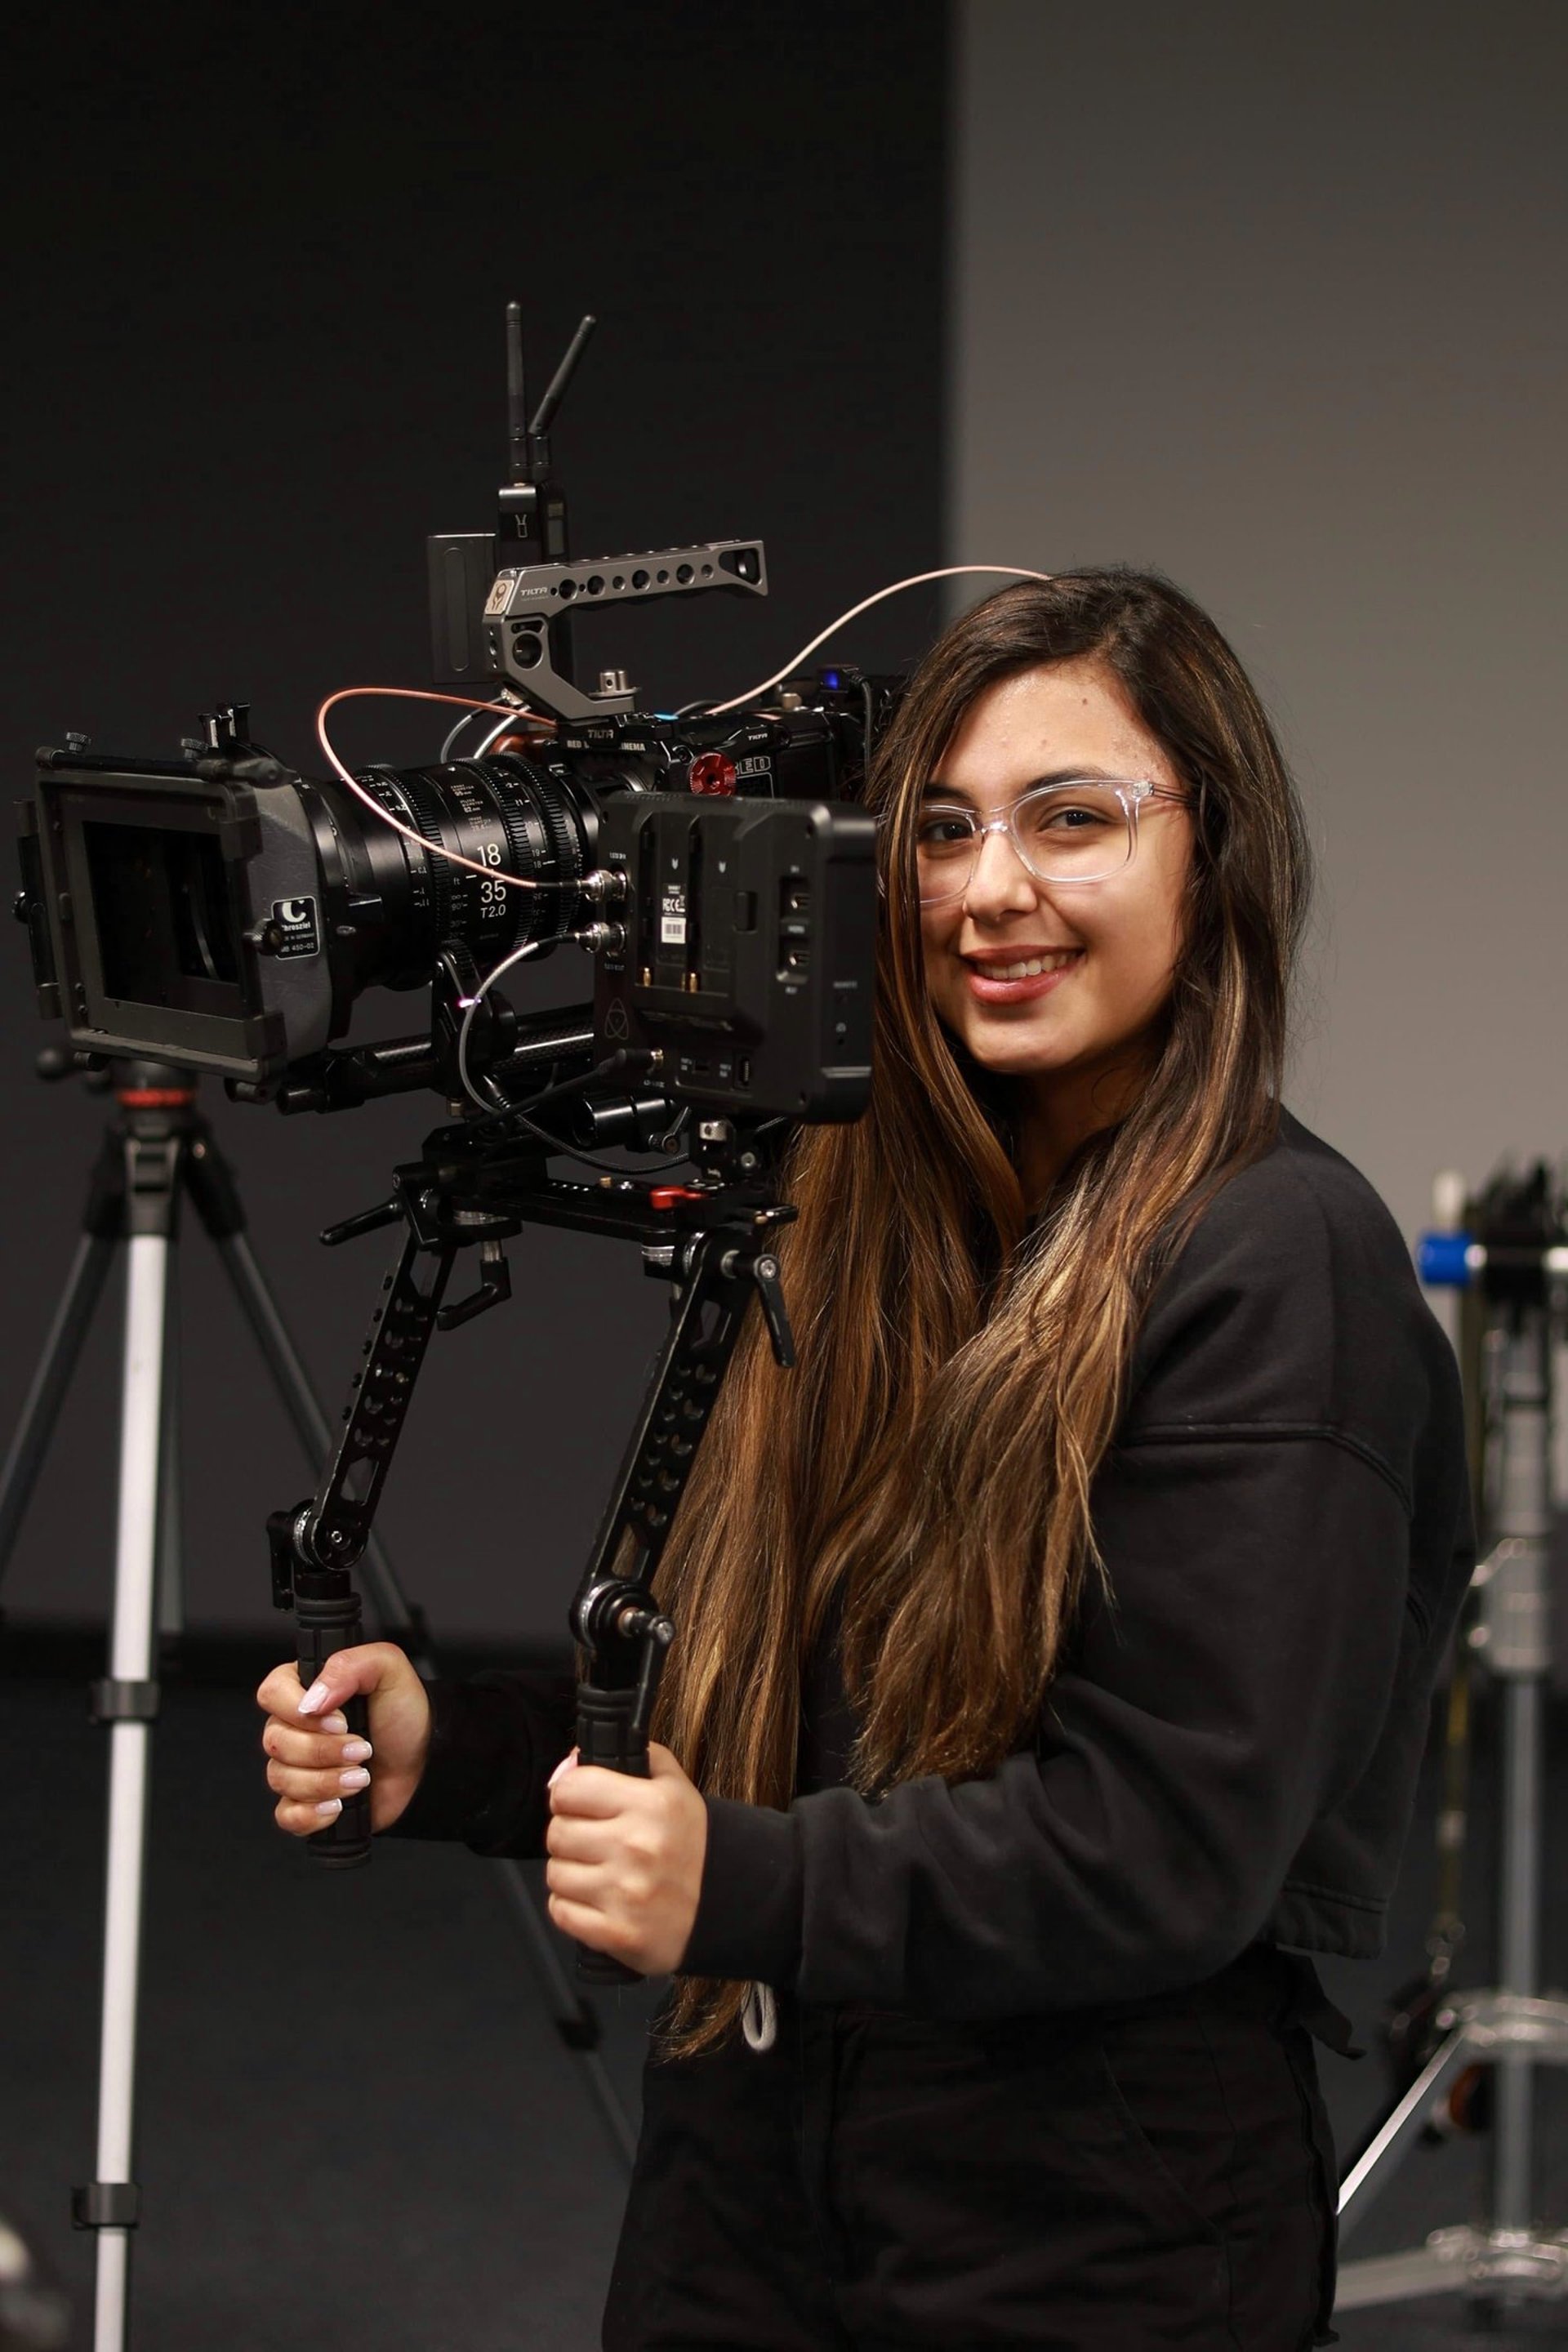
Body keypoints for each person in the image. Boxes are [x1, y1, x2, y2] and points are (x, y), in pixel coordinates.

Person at [256, 572, 1473, 2350]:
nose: (992, 891)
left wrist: (739, 1887)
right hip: (753, 2170)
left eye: (1074, 821)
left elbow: (1167, 1844)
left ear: (1212, 860)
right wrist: (456, 1753)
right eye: (942, 830)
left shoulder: (1279, 1257)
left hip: (1091, 2225)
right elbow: (754, 1720)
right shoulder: (857, 1221)